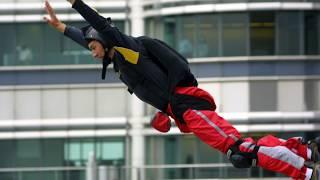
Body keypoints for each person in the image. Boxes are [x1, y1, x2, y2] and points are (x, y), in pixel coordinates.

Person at [44, 0, 320, 179]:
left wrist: (75, 3)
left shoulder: (129, 50)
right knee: (240, 148)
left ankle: (306, 174)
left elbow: (101, 26)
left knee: (241, 151)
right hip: (183, 112)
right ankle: (306, 152)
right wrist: (61, 28)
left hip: (187, 107)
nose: (92, 53)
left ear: (106, 42)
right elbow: (91, 39)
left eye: (93, 48)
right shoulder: (118, 60)